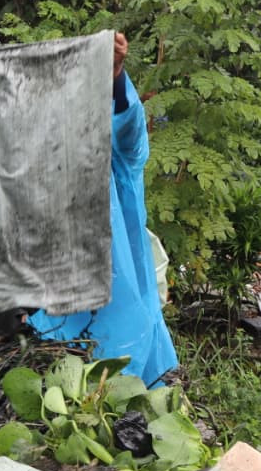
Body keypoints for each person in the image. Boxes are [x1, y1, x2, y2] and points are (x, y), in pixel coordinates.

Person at [25, 33, 178, 386]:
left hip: (119, 288)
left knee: (130, 377)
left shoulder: (118, 156)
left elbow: (129, 125)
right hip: (61, 295)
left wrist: (114, 74)